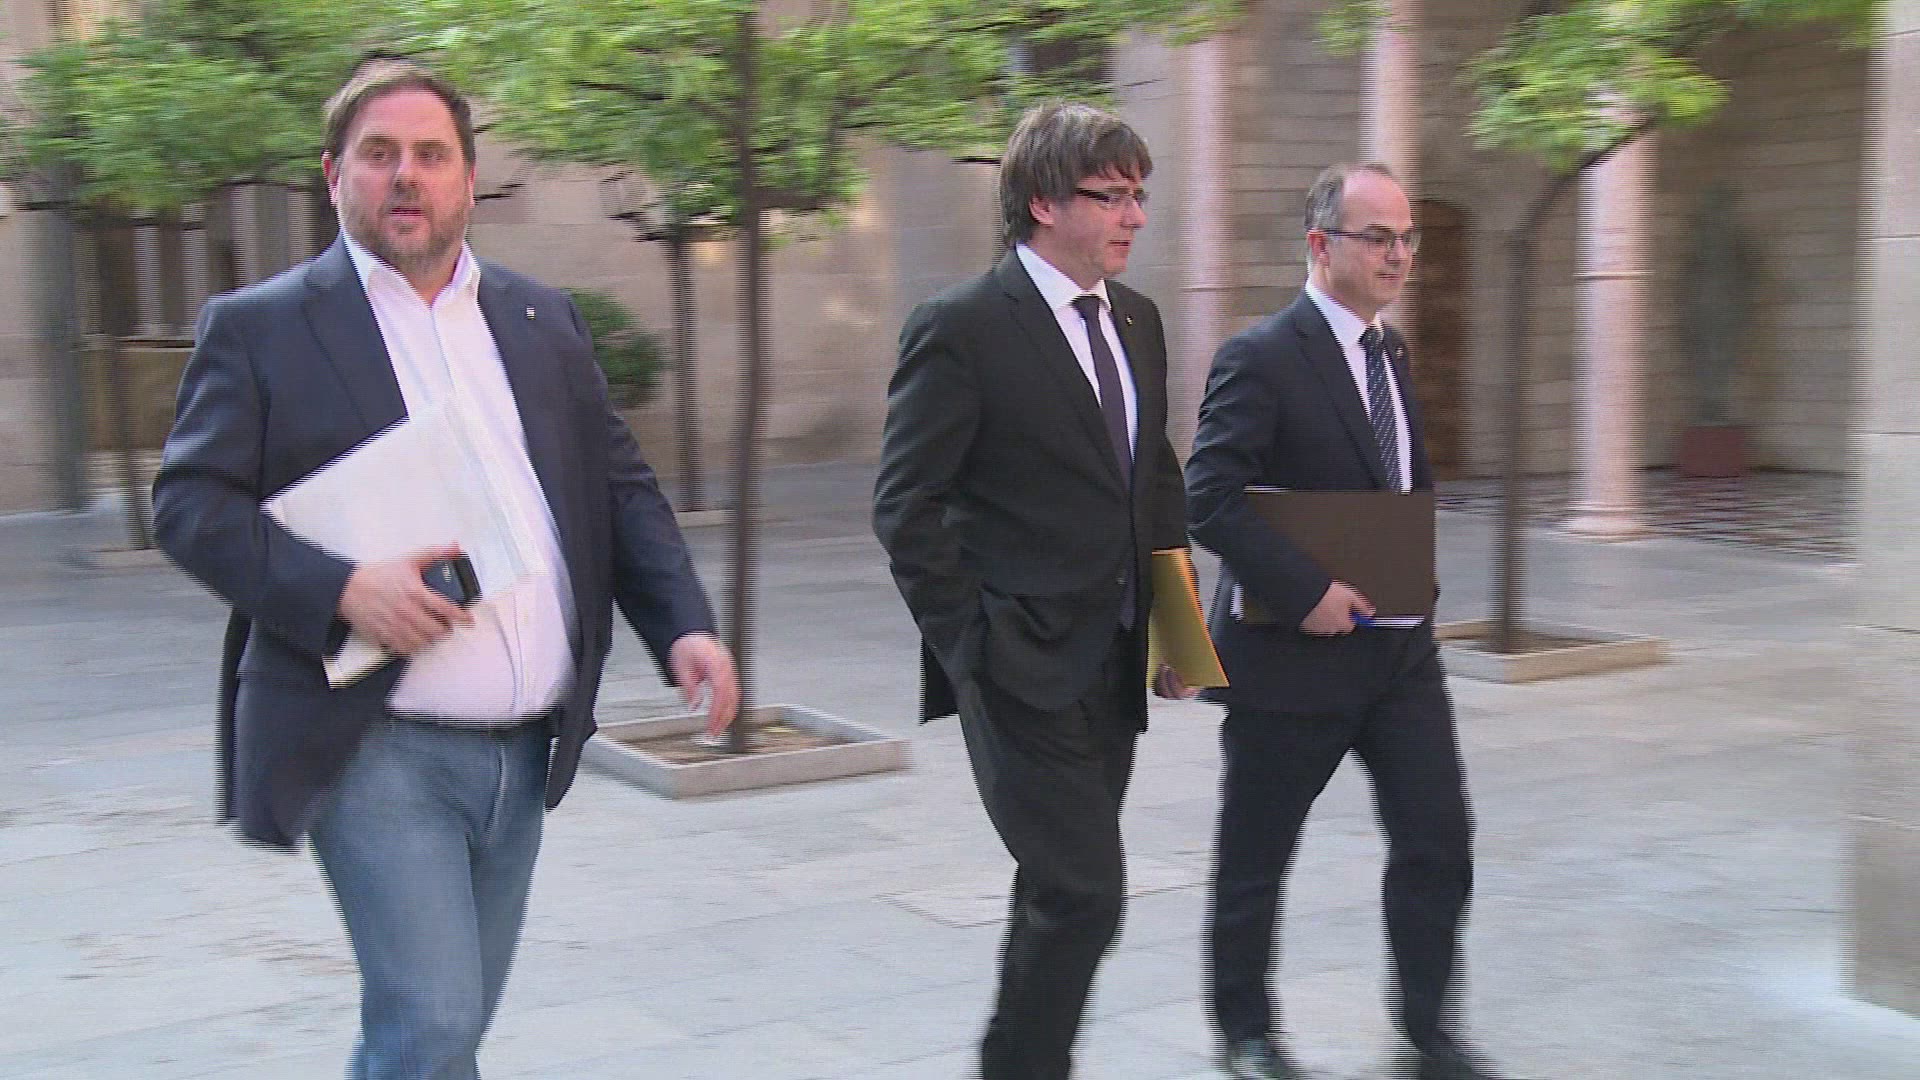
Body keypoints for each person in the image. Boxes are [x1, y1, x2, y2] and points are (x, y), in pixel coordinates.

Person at [152, 59, 739, 1079]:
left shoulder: (541, 318)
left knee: (440, 1036)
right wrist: (341, 589)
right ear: (334, 174)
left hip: (526, 749)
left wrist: (684, 623)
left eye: (431, 155)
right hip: (375, 741)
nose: (405, 175)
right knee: (432, 1020)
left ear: (469, 177)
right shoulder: (263, 327)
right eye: (379, 154)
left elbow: (618, 485)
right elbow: (189, 505)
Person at [1185, 163, 1527, 1080]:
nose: (1399, 255)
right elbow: (1208, 497)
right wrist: (1306, 590)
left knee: (1437, 839)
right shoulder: (1260, 356)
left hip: (1399, 658)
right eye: (1378, 238)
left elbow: (1396, 483)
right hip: (1289, 661)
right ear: (1319, 244)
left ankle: (1429, 1031)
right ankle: (1246, 1035)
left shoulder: (1391, 352)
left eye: (1407, 238)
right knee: (1257, 860)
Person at [872, 102, 1188, 1080]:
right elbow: (905, 507)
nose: (1135, 216)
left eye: (1139, 195)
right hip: (1018, 670)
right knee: (1087, 892)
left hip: (1112, 665)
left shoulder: (1137, 319)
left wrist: (1178, 635)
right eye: (1112, 196)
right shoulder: (963, 327)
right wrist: (977, 647)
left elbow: (1153, 480)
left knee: (1058, 894)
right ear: (1044, 202)